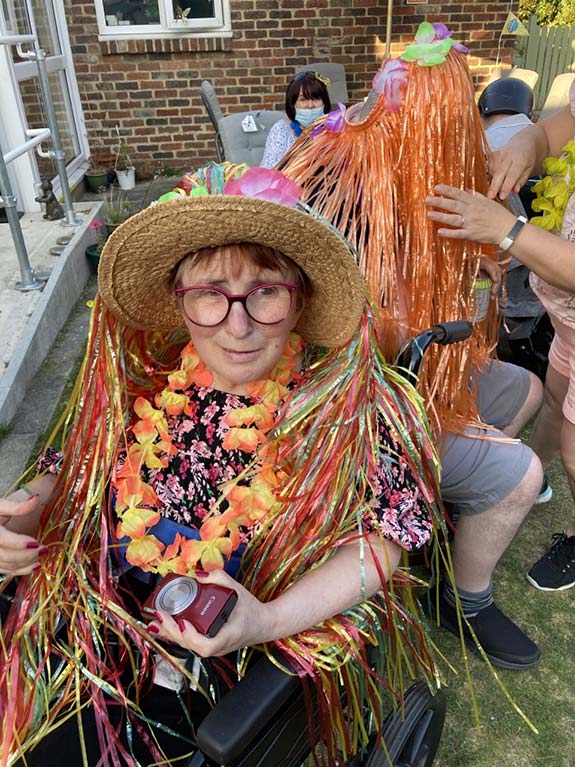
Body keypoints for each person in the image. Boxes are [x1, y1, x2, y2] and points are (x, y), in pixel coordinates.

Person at [1, 162, 444, 765]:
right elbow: (69, 466)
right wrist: (22, 515)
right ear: (179, 299)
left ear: (300, 297)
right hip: (99, 612)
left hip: (228, 656)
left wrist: (265, 620)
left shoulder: (346, 407)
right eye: (210, 293)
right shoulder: (145, 378)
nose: (237, 326)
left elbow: (385, 543)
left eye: (264, 292)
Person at [279, 27, 543, 671]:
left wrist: (478, 254)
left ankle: (435, 519)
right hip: (358, 401)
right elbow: (343, 333)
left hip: (422, 373)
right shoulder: (333, 188)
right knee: (522, 476)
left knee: (526, 390)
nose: (455, 144)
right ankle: (464, 599)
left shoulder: (430, 179)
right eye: (439, 126)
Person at [426, 76, 575, 593]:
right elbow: (555, 131)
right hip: (566, 321)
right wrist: (526, 142)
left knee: (574, 446)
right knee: (551, 396)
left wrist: (507, 231)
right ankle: (523, 481)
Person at [478, 77, 552, 381]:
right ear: (530, 114)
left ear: (482, 113)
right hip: (547, 277)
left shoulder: (479, 146)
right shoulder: (544, 137)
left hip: (496, 274)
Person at [261, 71, 331, 168]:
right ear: (293, 103)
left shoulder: (336, 131)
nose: (310, 105)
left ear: (324, 102)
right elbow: (268, 171)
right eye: (303, 99)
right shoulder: (280, 130)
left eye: (316, 98)